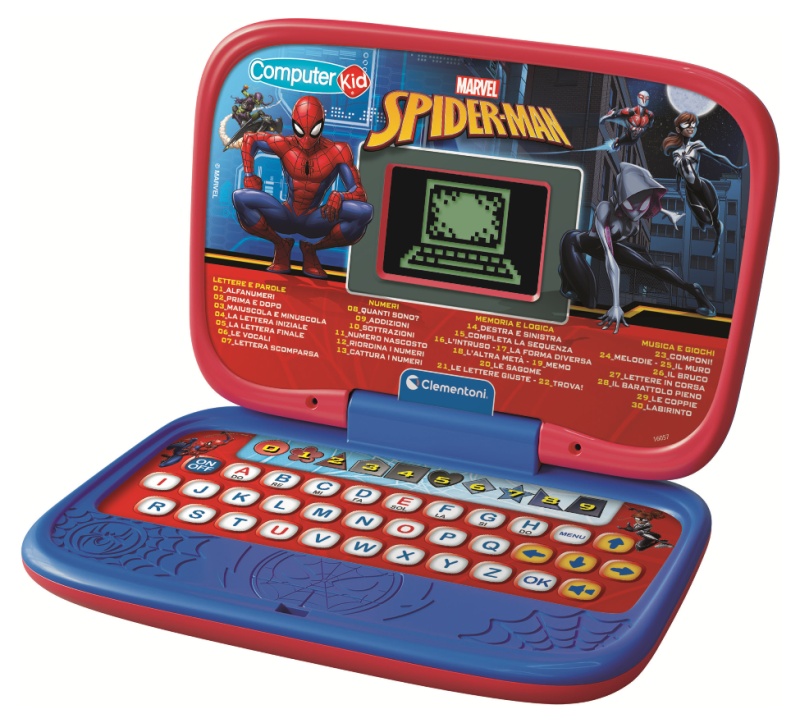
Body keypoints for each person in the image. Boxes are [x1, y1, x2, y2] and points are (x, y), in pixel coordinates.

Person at [559, 163, 715, 332]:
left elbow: (649, 203)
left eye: (642, 205)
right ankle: (566, 275)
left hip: (605, 248)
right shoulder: (605, 209)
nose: (637, 211)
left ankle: (694, 290)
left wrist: (670, 214)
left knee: (650, 267)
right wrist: (616, 305)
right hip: (576, 243)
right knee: (589, 297)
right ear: (622, 197)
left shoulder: (634, 224)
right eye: (631, 202)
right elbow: (610, 259)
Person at [232, 96, 373, 279]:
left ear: (321, 125)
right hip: (286, 214)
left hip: (315, 219)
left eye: (313, 131)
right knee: (240, 197)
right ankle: (281, 244)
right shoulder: (285, 144)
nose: (306, 139)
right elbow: (250, 139)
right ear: (294, 124)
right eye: (300, 131)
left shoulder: (337, 151)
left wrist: (340, 196)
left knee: (364, 212)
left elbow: (359, 193)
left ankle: (312, 249)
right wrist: (249, 175)